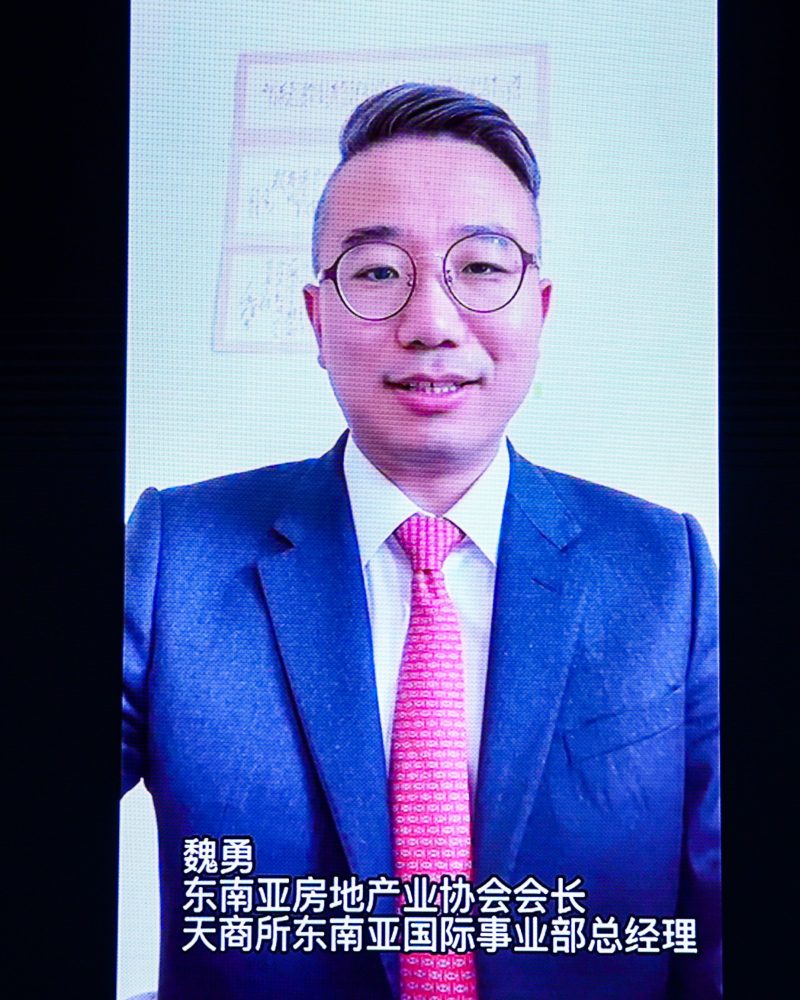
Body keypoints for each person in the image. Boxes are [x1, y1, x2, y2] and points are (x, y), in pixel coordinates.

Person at [122, 84, 720, 999]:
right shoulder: (177, 558)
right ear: (317, 320)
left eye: (480, 267)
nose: (432, 324)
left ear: (540, 310)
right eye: (376, 274)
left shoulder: (663, 569)